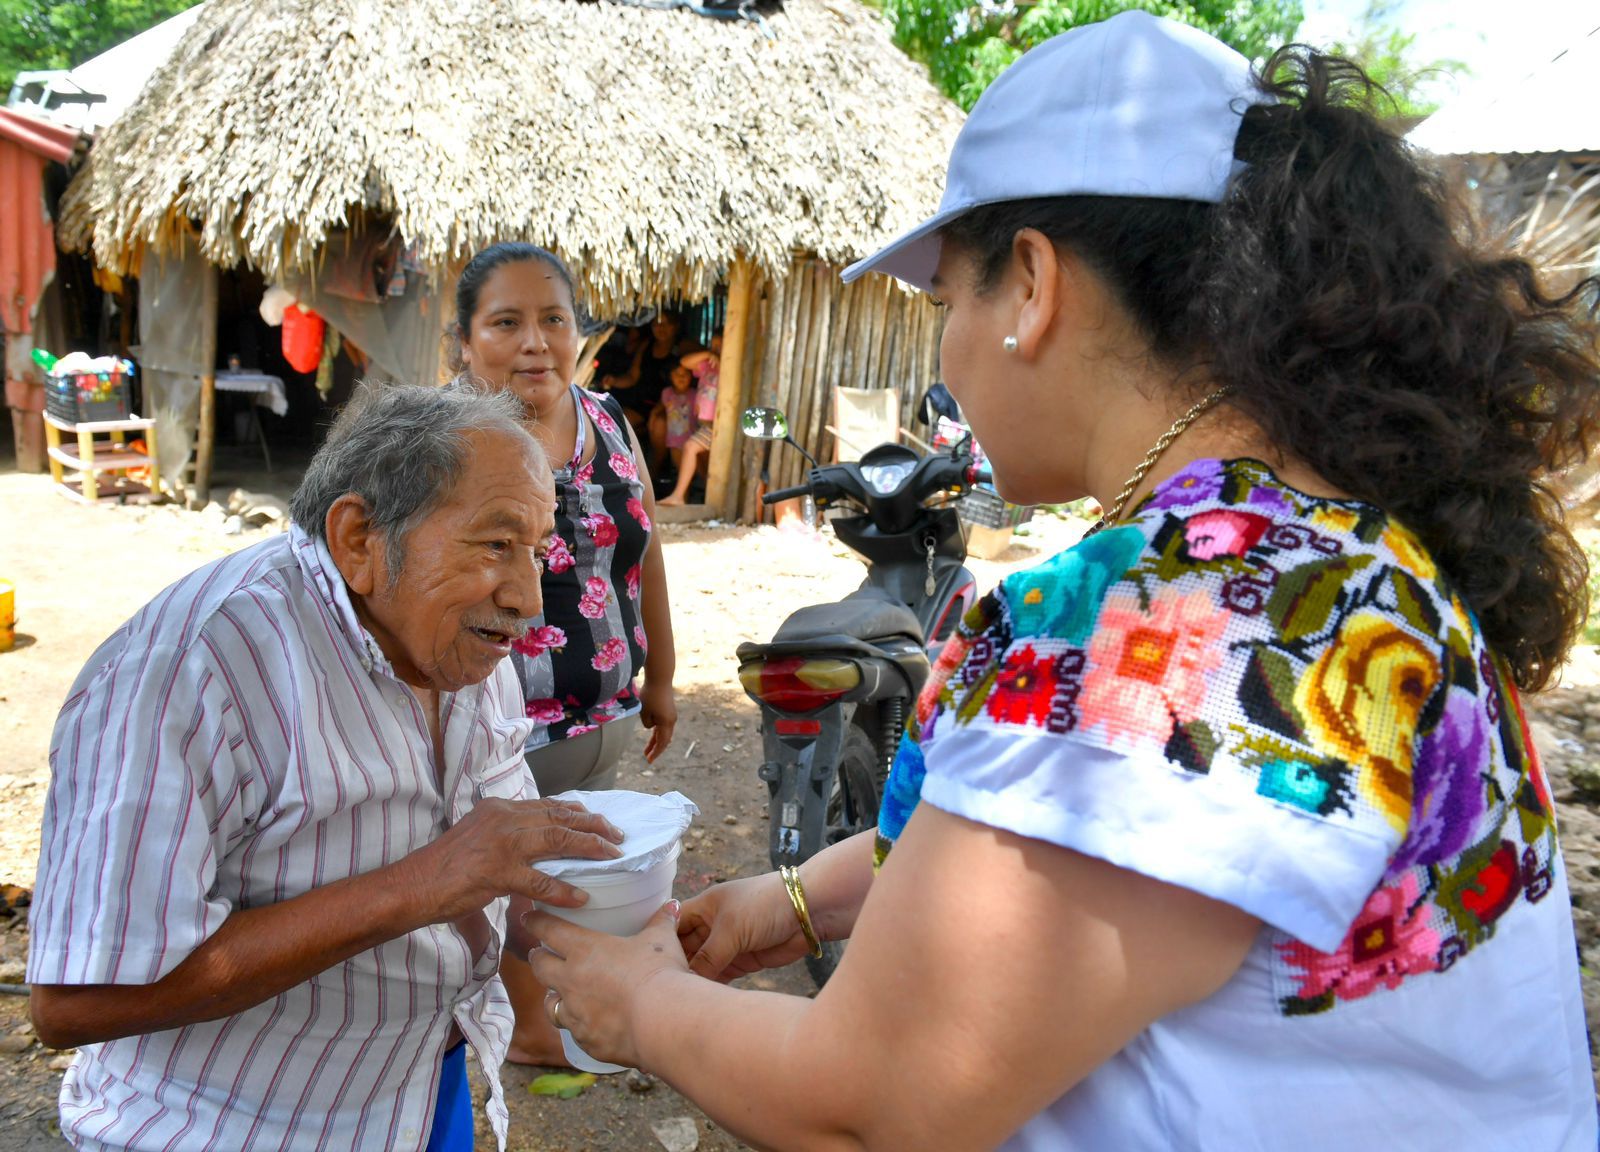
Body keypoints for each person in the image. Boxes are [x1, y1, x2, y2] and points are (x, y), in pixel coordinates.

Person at [522, 13, 1600, 1151]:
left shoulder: (1153, 626)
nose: (948, 348)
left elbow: (873, 1102)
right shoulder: (1335, 562)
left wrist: (636, 1005)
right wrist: (794, 902)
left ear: (1030, 285)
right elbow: (1081, 871)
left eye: (948, 302)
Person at [26, 382, 627, 1151]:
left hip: (417, 1090)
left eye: (539, 550)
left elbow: (484, 872)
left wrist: (625, 936)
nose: (529, 598)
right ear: (358, 540)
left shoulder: (462, 640)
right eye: (496, 543)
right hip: (230, 1133)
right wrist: (422, 884)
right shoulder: (192, 669)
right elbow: (77, 1000)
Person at [448, 241, 678, 1066]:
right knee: (506, 883)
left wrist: (665, 675)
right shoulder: (446, 441)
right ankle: (523, 1031)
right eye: (505, 322)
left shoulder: (608, 421)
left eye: (553, 319)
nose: (534, 342)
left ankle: (551, 1010)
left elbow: (645, 545)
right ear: (466, 342)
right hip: (497, 731)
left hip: (605, 716)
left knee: (576, 874)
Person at [660, 341, 721, 507]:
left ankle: (679, 496)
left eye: (719, 346)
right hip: (705, 425)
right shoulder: (707, 366)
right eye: (713, 345)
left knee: (690, 447)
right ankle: (697, 497)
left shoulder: (728, 368)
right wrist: (709, 354)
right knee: (700, 464)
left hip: (718, 425)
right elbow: (685, 362)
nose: (715, 349)